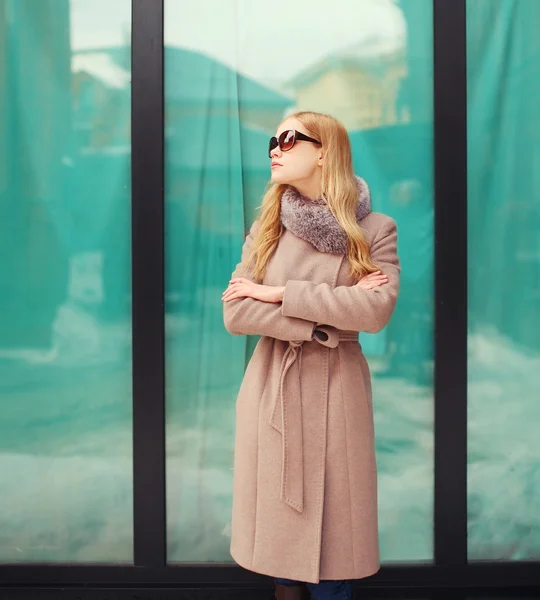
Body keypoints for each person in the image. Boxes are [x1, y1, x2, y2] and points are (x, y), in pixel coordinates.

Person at [222, 111, 400, 600]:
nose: (275, 149)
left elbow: (376, 309)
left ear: (324, 150)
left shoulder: (375, 228)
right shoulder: (267, 228)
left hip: (337, 391)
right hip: (272, 390)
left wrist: (278, 294)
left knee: (335, 546)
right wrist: (327, 315)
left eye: (289, 138)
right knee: (282, 550)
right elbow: (236, 313)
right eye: (271, 140)